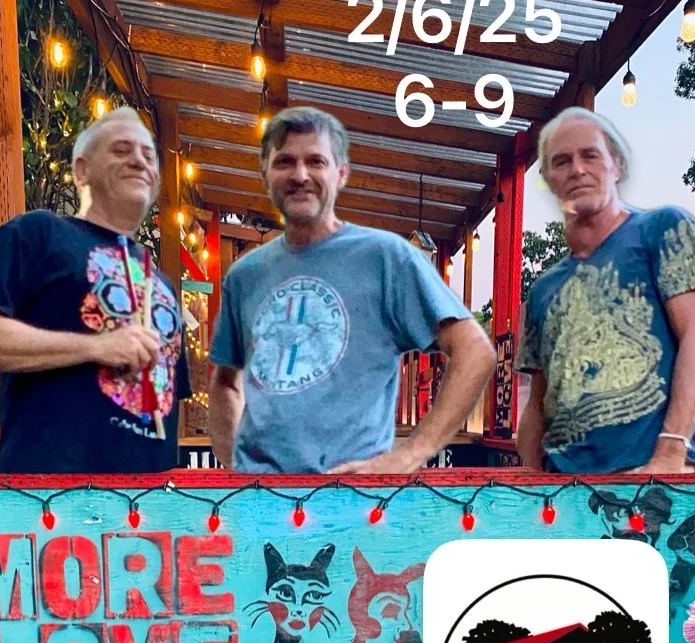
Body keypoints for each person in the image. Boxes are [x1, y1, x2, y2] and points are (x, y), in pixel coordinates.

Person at [208, 106, 495, 475]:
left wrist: (409, 455)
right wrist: (235, 469)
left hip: (351, 498)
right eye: (284, 162)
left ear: (340, 173)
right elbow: (225, 382)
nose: (300, 175)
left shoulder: (385, 257)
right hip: (258, 502)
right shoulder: (244, 275)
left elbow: (475, 351)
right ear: (265, 175)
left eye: (316, 161)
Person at [0, 107, 190, 474]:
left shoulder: (162, 283)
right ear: (82, 170)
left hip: (151, 509)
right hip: (53, 508)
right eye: (122, 150)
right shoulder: (38, 234)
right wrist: (97, 347)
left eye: (148, 155)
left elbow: (171, 402)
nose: (140, 162)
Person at [516, 107, 695, 476]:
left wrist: (671, 454)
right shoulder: (543, 288)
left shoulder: (663, 229)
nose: (577, 169)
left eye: (590, 155)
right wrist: (532, 479)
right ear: (548, 178)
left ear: (617, 166)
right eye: (561, 162)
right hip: (564, 485)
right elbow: (537, 401)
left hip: (648, 473)